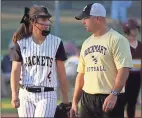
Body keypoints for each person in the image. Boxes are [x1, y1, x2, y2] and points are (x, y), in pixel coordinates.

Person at [70, 3, 133, 118]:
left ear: (97, 18)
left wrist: (114, 94)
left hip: (109, 98)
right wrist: (75, 101)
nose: (83, 22)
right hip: (87, 99)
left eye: (86, 18)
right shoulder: (86, 43)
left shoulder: (117, 40)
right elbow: (81, 75)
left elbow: (124, 70)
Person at [10, 5, 70, 117]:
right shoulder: (21, 43)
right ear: (33, 22)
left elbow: (62, 73)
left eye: (48, 19)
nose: (47, 23)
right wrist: (14, 94)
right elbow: (15, 70)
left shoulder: (56, 42)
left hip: (47, 94)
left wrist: (65, 100)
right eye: (43, 19)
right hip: (25, 94)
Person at [122, 18, 142, 118]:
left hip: (137, 77)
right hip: (124, 77)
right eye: (133, 29)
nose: (136, 31)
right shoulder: (122, 44)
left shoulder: (140, 45)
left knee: (132, 103)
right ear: (127, 30)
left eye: (136, 29)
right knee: (121, 102)